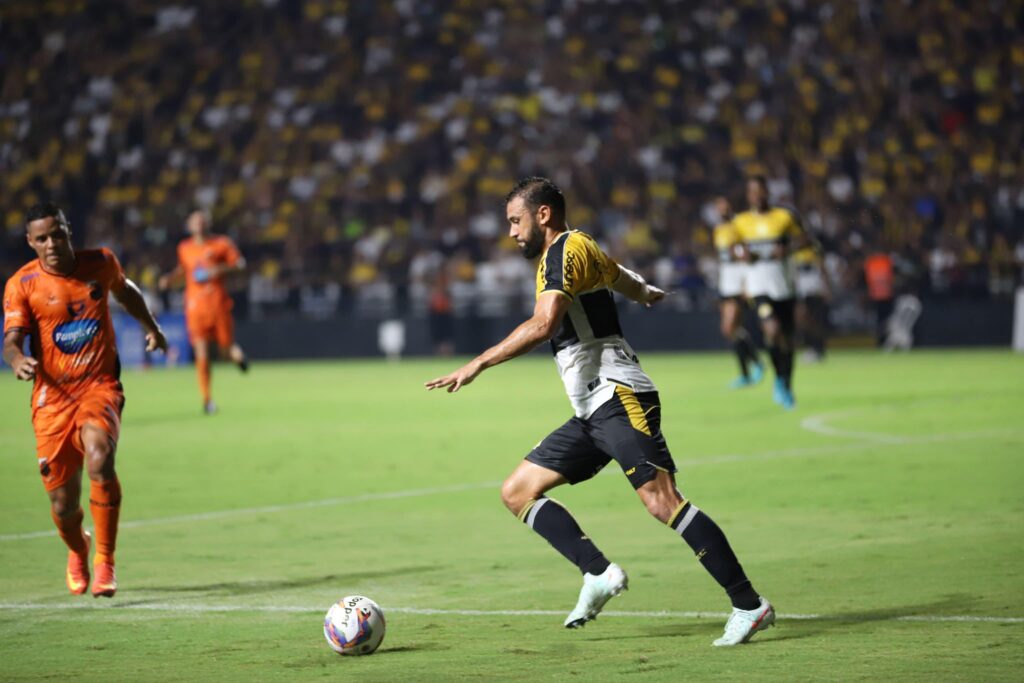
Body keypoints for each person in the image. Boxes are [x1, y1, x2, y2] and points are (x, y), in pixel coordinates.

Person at [425, 178, 774, 647]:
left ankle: (748, 604)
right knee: (517, 492)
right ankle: (598, 574)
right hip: (591, 409)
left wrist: (479, 361)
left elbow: (544, 323)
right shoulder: (582, 248)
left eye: (515, 220)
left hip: (619, 396)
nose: (511, 232)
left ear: (542, 214)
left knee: (662, 502)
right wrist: (646, 292)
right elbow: (620, 275)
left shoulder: (563, 253)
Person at [3, 202, 168, 597]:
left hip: (99, 385)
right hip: (52, 399)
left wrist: (152, 327)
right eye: (41, 238)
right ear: (31, 242)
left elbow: (124, 291)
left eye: (56, 234)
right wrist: (16, 359)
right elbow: (11, 339)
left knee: (99, 455)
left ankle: (105, 561)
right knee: (62, 504)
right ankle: (79, 549)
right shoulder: (22, 284)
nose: (51, 243)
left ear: (68, 231)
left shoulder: (100, 263)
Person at [159, 210, 248, 414]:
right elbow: (184, 270)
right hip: (195, 307)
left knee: (225, 350)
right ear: (189, 226)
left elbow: (240, 264)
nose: (199, 224)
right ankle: (207, 400)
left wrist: (219, 270)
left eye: (202, 221)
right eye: (195, 221)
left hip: (218, 304)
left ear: (208, 223)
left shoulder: (221, 243)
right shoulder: (185, 248)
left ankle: (236, 357)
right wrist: (170, 279)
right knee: (202, 353)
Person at [732, 176, 808, 409]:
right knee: (772, 330)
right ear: (748, 196)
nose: (758, 195)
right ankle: (779, 381)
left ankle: (785, 382)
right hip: (759, 286)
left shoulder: (784, 217)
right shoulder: (742, 221)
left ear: (767, 192)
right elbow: (734, 247)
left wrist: (787, 249)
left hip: (784, 286)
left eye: (761, 191)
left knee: (787, 340)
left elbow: (804, 240)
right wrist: (741, 255)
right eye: (753, 192)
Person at [711, 196, 762, 387]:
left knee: (729, 328)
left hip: (739, 284)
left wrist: (747, 284)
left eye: (725, 205)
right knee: (734, 330)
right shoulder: (718, 230)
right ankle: (747, 372)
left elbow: (744, 257)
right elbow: (722, 258)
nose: (722, 209)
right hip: (726, 284)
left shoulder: (738, 226)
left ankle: (755, 364)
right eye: (719, 206)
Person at [792, 243, 831, 362]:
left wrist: (826, 288)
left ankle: (817, 348)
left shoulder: (814, 250)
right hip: (801, 291)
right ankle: (812, 347)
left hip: (815, 290)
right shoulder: (793, 253)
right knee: (803, 320)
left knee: (815, 321)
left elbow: (822, 269)